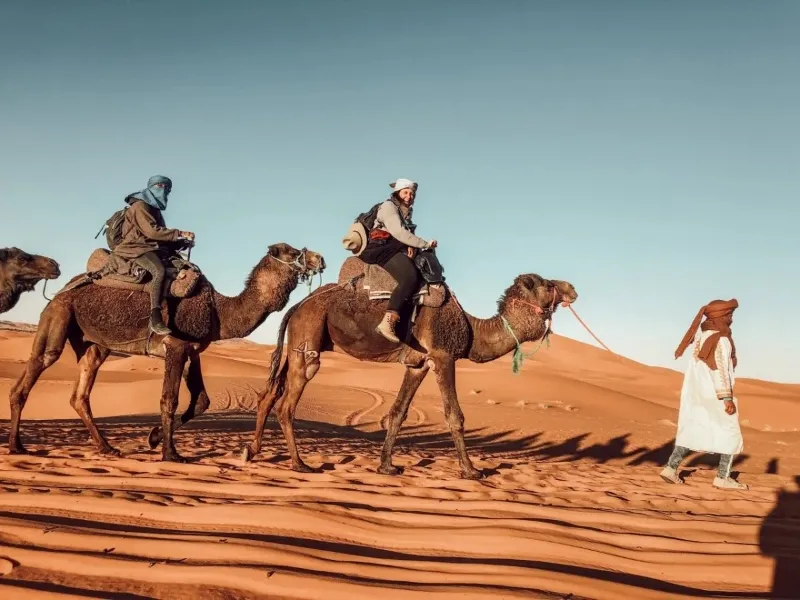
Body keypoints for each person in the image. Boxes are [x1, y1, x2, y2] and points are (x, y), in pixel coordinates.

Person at [660, 299, 747, 490]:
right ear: (721, 316)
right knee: (730, 433)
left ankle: (670, 468)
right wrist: (726, 397)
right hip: (715, 394)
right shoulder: (721, 339)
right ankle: (722, 477)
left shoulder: (702, 336)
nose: (731, 319)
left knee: (692, 428)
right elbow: (721, 369)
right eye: (729, 315)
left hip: (696, 393)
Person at [112, 175, 194, 336]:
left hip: (151, 247)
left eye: (167, 189)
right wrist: (179, 233)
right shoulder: (140, 206)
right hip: (135, 248)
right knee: (159, 271)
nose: (164, 191)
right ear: (151, 187)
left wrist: (180, 243)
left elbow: (159, 237)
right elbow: (151, 231)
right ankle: (155, 317)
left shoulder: (154, 209)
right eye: (160, 187)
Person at [358, 178, 437, 343]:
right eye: (405, 192)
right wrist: (424, 243)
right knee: (409, 277)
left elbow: (403, 235)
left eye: (412, 193)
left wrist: (412, 247)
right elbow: (398, 233)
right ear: (397, 193)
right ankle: (387, 322)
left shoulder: (404, 211)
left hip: (391, 247)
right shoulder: (388, 207)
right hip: (379, 249)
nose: (409, 196)